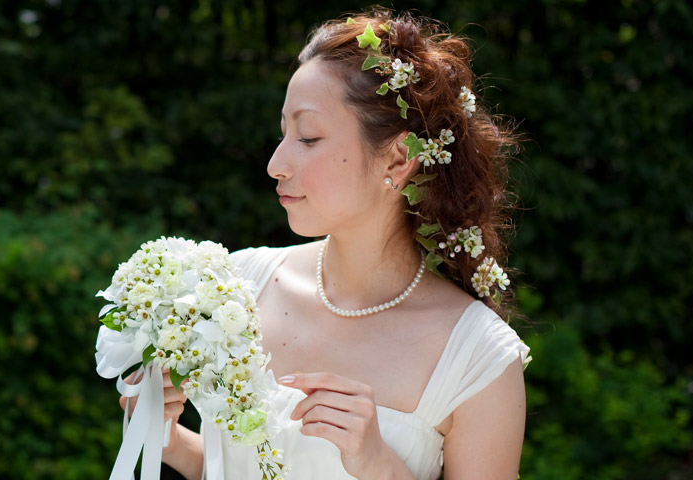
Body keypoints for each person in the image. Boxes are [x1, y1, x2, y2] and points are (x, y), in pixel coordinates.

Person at [122, 8, 528, 480]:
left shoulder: (477, 356)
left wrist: (381, 468)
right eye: (283, 134)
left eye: (308, 137)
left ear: (398, 159)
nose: (276, 163)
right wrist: (163, 434)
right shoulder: (239, 287)